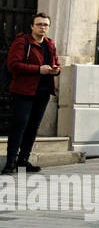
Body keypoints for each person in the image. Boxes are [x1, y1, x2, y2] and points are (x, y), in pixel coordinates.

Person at [4, 12, 61, 174]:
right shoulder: (22, 42)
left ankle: (23, 161)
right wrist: (38, 69)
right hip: (24, 91)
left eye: (46, 25)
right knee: (19, 126)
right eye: (39, 24)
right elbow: (13, 65)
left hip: (43, 92)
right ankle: (10, 162)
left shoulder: (49, 44)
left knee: (33, 127)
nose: (43, 28)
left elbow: (56, 62)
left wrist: (56, 71)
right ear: (32, 26)